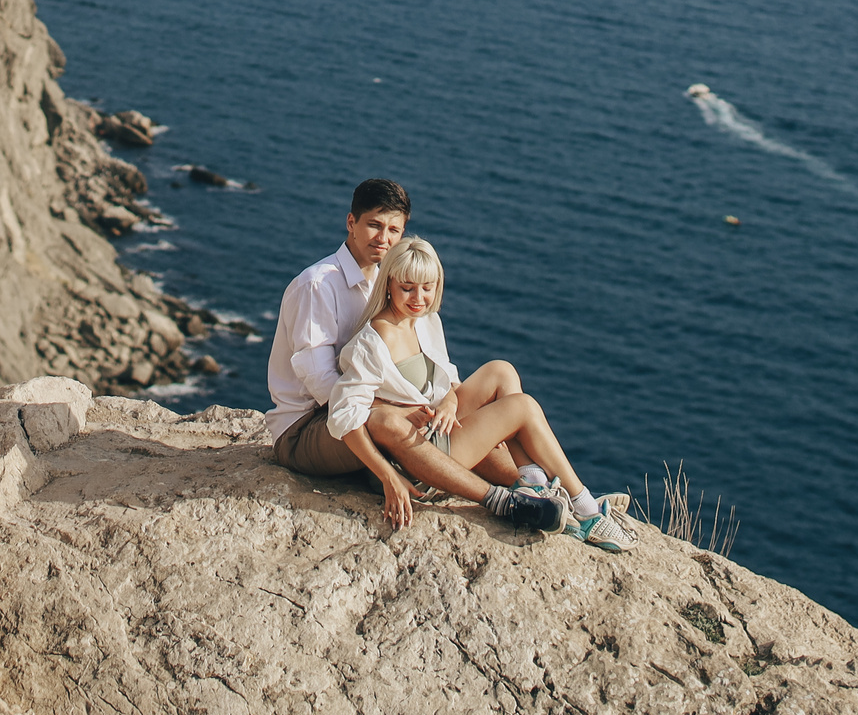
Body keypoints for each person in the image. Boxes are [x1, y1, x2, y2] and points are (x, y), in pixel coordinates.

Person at [266, 179, 564, 531]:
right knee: (394, 423)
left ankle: (541, 490)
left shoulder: (392, 283)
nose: (383, 238)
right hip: (310, 425)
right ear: (351, 223)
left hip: (364, 408)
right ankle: (502, 501)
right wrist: (397, 410)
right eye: (374, 225)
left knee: (483, 393)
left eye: (394, 229)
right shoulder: (319, 285)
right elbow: (322, 385)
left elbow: (425, 363)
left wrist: (448, 402)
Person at [329, 238, 634, 552]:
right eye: (407, 288)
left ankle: (534, 484)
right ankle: (586, 510)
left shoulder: (425, 322)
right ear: (389, 284)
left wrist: (449, 400)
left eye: (427, 287)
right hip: (418, 457)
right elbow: (343, 415)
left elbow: (445, 377)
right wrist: (387, 475)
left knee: (501, 371)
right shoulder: (375, 339)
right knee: (523, 407)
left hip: (438, 430)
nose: (419, 298)